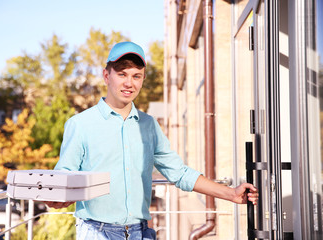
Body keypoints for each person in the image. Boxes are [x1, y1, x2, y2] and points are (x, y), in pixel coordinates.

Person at [45, 41, 258, 240]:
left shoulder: (149, 125)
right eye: (122, 74)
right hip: (96, 231)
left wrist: (231, 193)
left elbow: (179, 173)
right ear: (106, 76)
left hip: (140, 232)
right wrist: (57, 195)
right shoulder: (80, 124)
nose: (129, 83)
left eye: (137, 76)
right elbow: (65, 175)